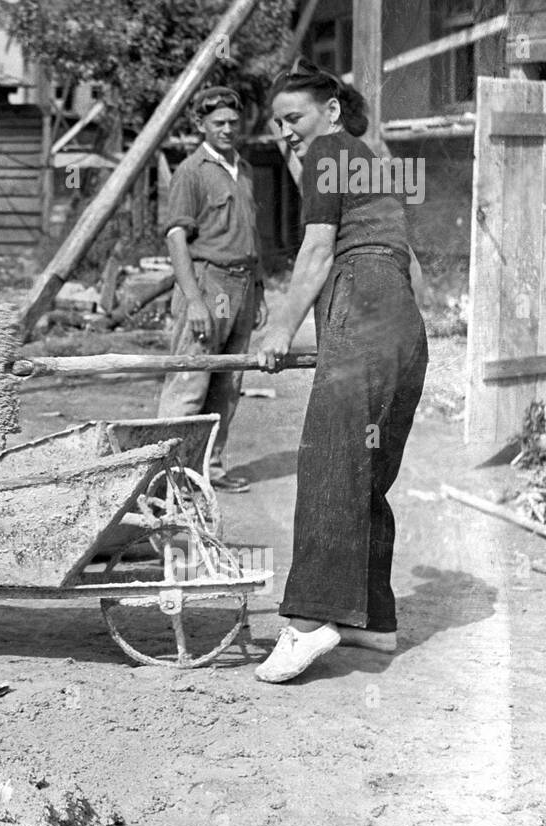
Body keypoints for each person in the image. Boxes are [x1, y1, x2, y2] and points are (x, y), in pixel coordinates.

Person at [253, 59, 428, 683]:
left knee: (330, 457)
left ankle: (308, 625)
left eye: (292, 117)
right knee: (366, 471)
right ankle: (372, 623)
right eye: (276, 124)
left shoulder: (328, 149)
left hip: (361, 300)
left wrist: (280, 326)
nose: (285, 133)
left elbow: (320, 250)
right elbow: (399, 261)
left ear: (329, 111)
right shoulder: (367, 157)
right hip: (402, 322)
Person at [156, 85, 267, 492]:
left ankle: (210, 470)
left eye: (233, 122)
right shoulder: (191, 171)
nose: (227, 129)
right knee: (190, 382)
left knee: (228, 384)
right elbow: (175, 238)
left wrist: (260, 290)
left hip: (242, 285)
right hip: (207, 282)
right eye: (218, 122)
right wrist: (193, 300)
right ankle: (166, 476)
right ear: (201, 125)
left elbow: (251, 235)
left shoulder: (246, 170)